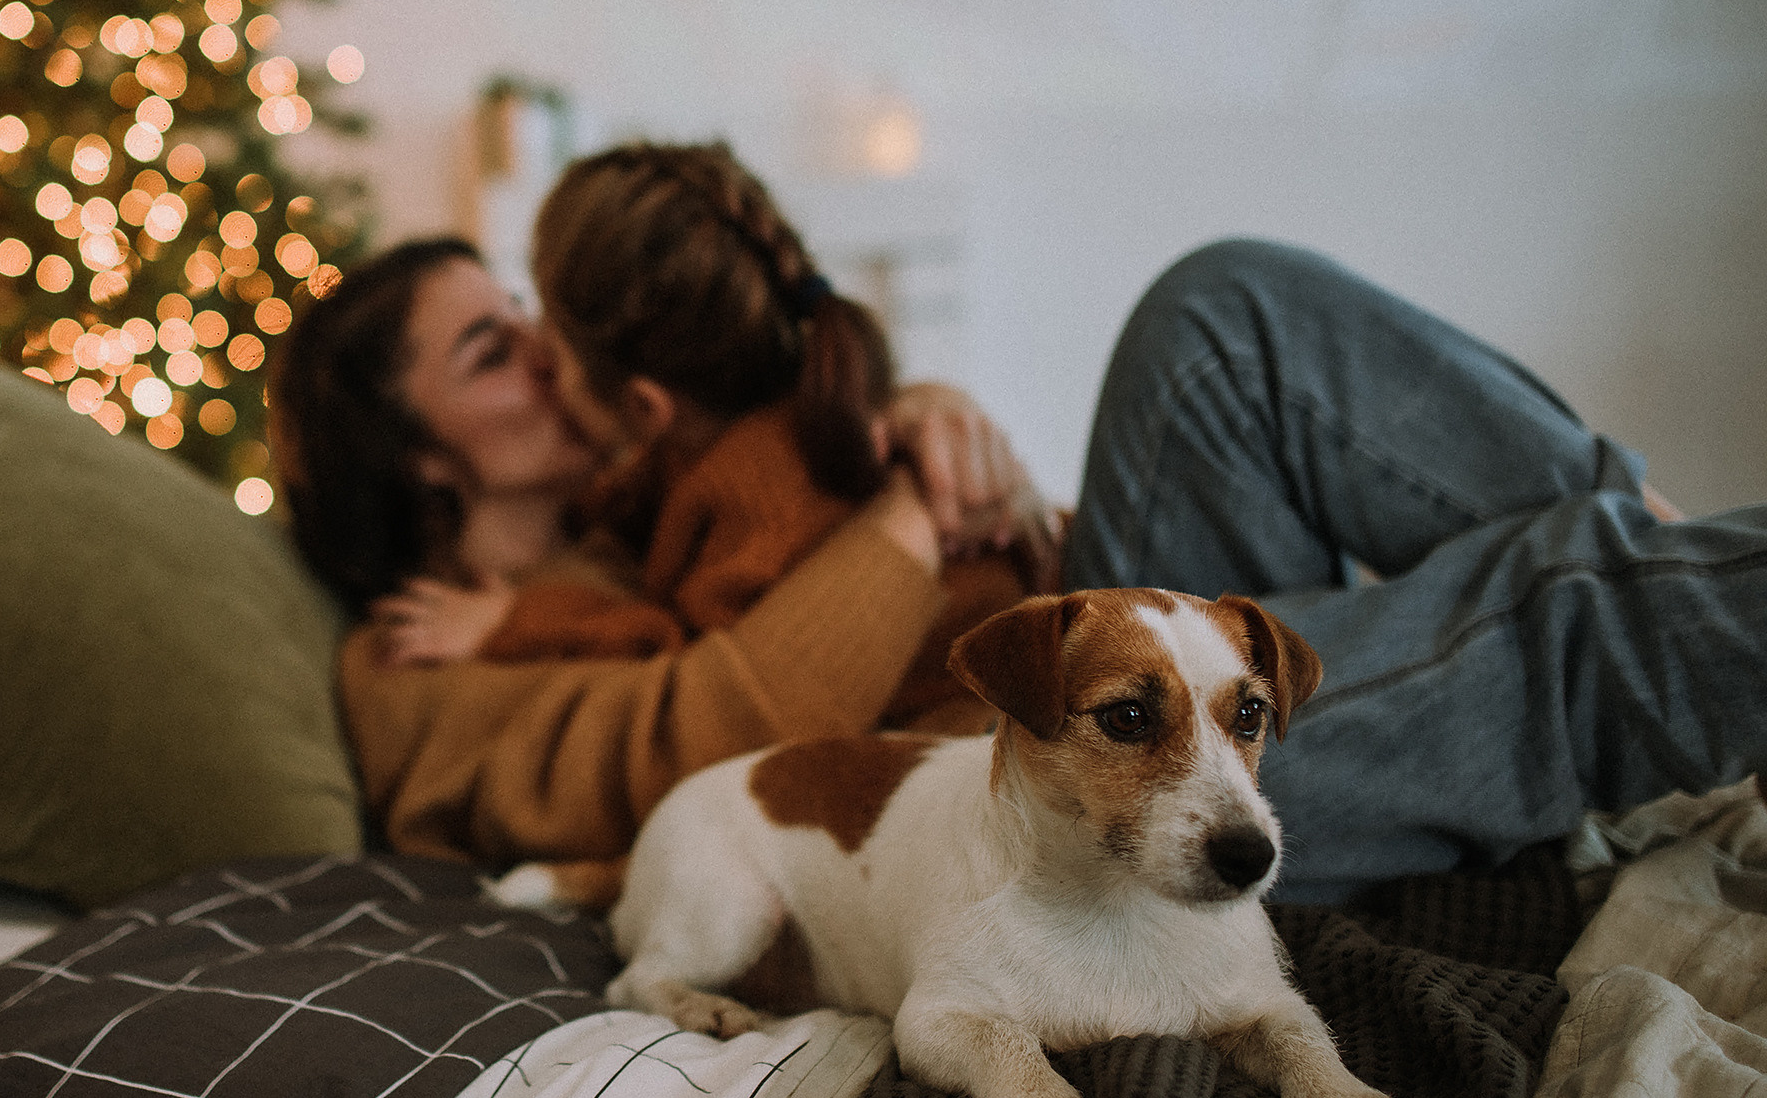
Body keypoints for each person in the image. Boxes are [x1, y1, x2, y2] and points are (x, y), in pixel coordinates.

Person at [272, 222, 1046, 906]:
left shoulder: (638, 509)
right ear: (417, 460)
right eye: (492, 354)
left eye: (521, 310)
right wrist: (918, 507)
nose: (546, 347)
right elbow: (698, 747)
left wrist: (923, 414)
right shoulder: (403, 660)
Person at [1064, 237, 1767, 901]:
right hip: (1009, 742)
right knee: (1564, 625)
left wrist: (981, 479)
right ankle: (1707, 613)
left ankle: (1674, 565)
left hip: (1059, 592)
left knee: (1217, 319)